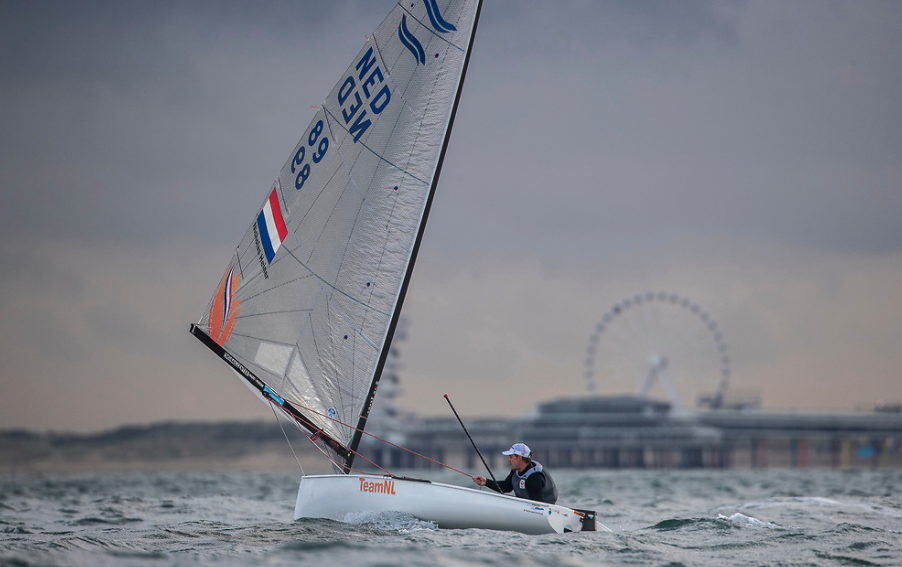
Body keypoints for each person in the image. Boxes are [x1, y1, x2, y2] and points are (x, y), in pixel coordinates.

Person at [473, 443, 558, 504]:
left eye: (511, 457)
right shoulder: (516, 471)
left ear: (519, 458)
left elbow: (538, 506)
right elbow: (507, 487)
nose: (508, 460)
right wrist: (486, 482)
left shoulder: (534, 478)